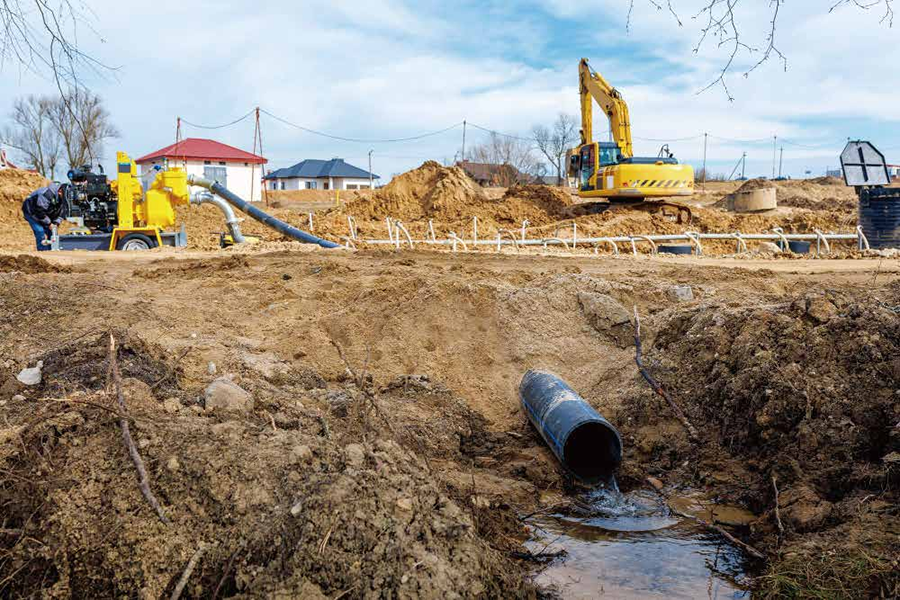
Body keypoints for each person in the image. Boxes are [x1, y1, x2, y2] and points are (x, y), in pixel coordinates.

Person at [22, 183, 65, 251]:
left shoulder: (64, 199)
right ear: (60, 191)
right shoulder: (46, 194)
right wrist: (49, 223)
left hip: (46, 212)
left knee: (53, 231)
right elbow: (40, 211)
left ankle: (53, 249)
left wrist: (56, 223)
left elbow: (62, 213)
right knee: (40, 230)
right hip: (31, 211)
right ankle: (42, 251)